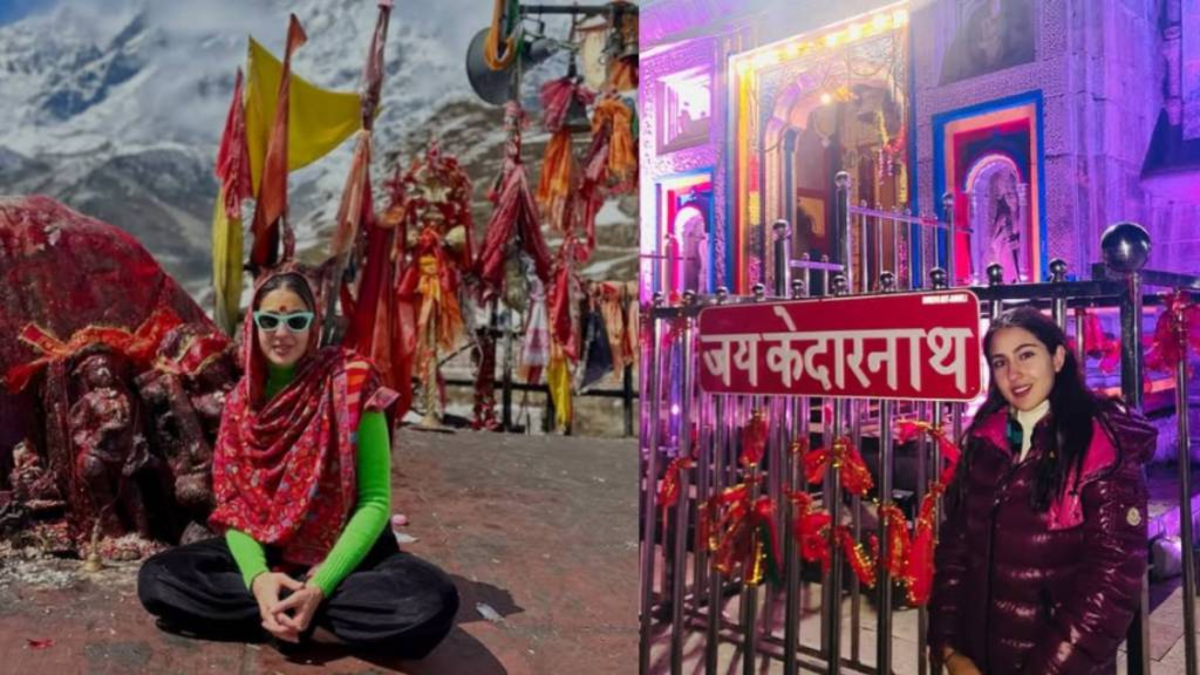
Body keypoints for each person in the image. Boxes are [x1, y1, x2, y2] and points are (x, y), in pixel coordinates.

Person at [138, 266, 459, 657]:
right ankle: (296, 617)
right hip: (270, 552)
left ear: (314, 325)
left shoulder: (352, 383)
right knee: (159, 579)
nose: (282, 332)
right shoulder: (241, 405)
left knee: (432, 601)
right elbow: (235, 512)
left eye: (296, 321)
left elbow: (375, 501)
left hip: (347, 554)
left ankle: (291, 616)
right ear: (253, 324)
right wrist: (258, 580)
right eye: (269, 320)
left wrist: (319, 586)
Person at [928, 306, 1156, 675]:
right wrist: (949, 649)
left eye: (1026, 355)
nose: (1013, 374)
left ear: (1058, 357)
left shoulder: (1099, 446)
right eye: (1000, 362)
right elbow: (956, 548)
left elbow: (1111, 585)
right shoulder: (986, 439)